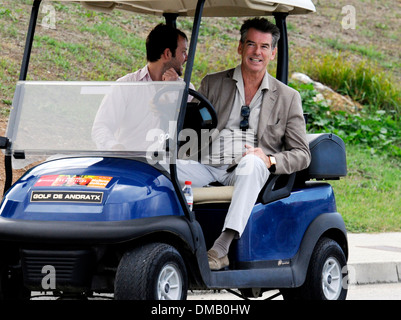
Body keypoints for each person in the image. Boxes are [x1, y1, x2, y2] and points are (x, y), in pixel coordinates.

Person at [176, 18, 311, 270]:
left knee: (252, 163)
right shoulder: (213, 83)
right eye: (251, 44)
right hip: (206, 165)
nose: (256, 52)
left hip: (247, 169)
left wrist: (270, 160)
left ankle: (221, 247)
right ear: (240, 47)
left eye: (263, 46)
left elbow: (302, 154)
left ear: (273, 53)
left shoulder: (288, 97)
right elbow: (188, 127)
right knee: (162, 166)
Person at [92, 23, 193, 151]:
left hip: (170, 167)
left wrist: (172, 93)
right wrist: (116, 148)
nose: (186, 58)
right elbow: (101, 127)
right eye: (183, 52)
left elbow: (191, 133)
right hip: (132, 165)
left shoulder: (186, 89)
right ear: (167, 53)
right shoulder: (126, 85)